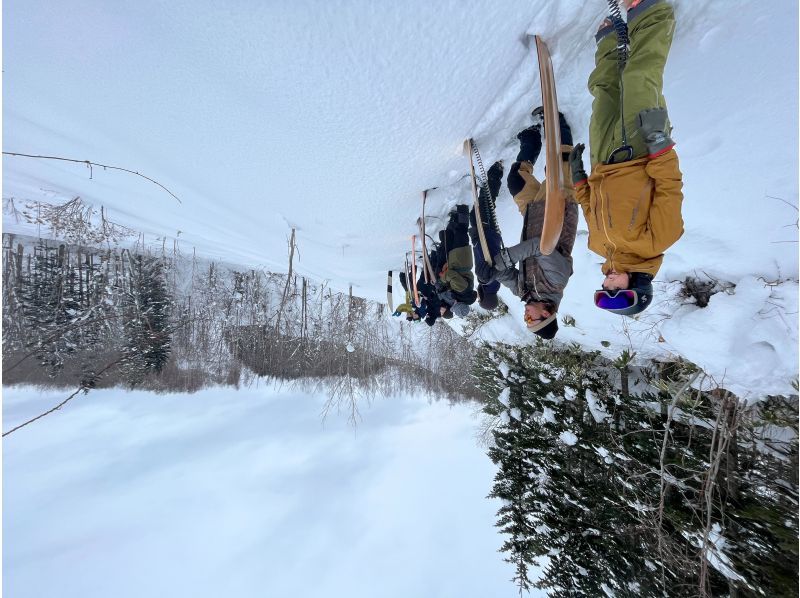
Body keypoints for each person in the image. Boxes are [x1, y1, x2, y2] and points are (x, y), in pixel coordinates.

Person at [569, 0, 684, 316]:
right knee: (638, 80)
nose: (607, 285)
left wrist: (578, 178)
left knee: (604, 93)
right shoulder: (660, 240)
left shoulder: (598, 247)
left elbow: (589, 205)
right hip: (640, 150)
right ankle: (651, 14)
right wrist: (660, 146)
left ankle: (609, 42)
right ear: (637, 287)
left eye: (603, 292)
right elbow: (669, 187)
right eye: (615, 292)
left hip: (601, 160)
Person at [489, 109, 580, 339]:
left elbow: (506, 275)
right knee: (559, 164)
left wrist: (491, 273)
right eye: (532, 319)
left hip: (533, 215)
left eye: (526, 320)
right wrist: (507, 258)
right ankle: (558, 123)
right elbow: (540, 247)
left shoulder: (525, 293)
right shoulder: (557, 281)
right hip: (559, 208)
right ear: (547, 313)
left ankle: (531, 138)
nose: (526, 316)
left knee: (516, 181)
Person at [468, 161, 504, 311]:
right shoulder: (488, 281)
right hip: (487, 235)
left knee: (478, 211)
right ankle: (496, 171)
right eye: (480, 298)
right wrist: (477, 238)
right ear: (485, 297)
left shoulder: (490, 283)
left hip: (488, 236)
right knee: (485, 204)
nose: (478, 296)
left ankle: (491, 180)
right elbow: (485, 255)